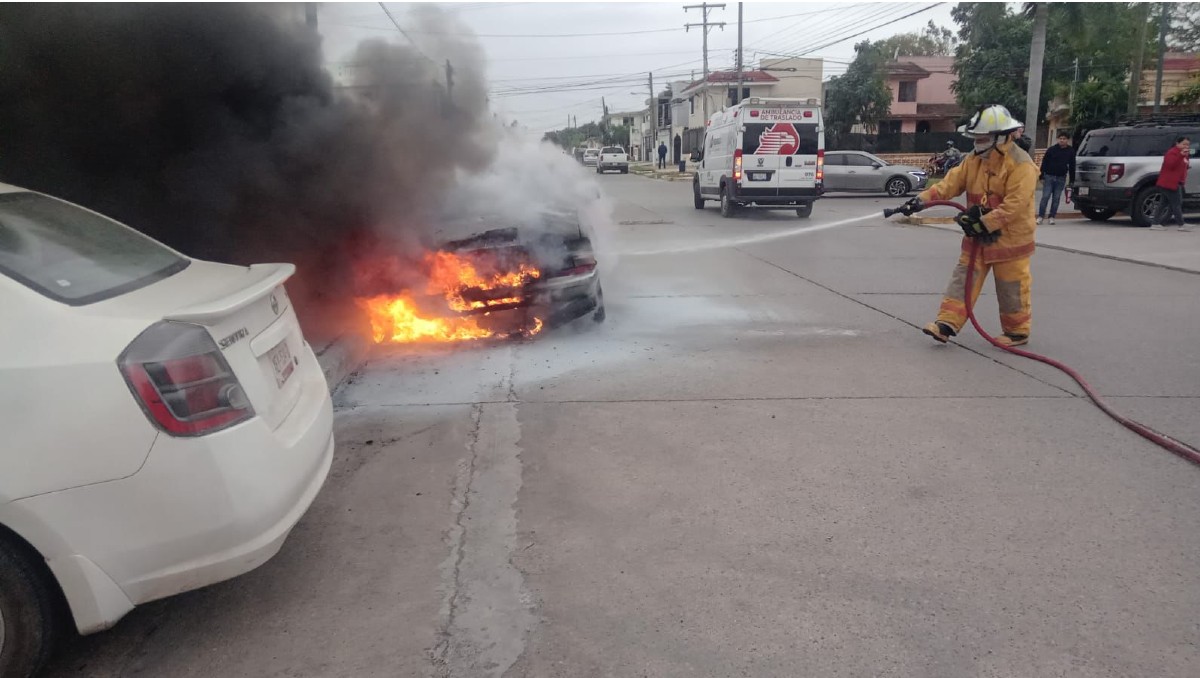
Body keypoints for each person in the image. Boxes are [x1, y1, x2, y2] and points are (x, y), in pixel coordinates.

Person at [904, 104, 1039, 348]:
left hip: (1010, 240)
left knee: (1011, 288)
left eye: (983, 138)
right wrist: (920, 201)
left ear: (1001, 137)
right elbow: (949, 184)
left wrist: (985, 223)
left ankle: (1017, 332)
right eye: (975, 137)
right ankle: (945, 325)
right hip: (977, 236)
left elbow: (1014, 206)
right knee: (963, 279)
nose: (977, 142)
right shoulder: (973, 160)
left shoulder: (1022, 165)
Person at [1150, 136, 1192, 232]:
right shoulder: (1172, 153)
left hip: (1176, 182)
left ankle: (1155, 223)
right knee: (1176, 203)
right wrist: (1181, 155)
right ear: (1177, 143)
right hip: (1169, 183)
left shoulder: (1185, 154)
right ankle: (1181, 224)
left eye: (1188, 144)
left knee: (1164, 203)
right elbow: (1171, 165)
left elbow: (1184, 164)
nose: (1186, 146)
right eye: (1184, 144)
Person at [1037, 132, 1076, 225]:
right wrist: (1041, 176)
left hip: (1061, 178)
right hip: (1049, 177)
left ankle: (1052, 217)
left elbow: (1072, 166)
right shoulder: (1051, 150)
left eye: (1064, 138)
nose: (1062, 140)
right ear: (1057, 139)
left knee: (1056, 198)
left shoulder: (1070, 151)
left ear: (1067, 140)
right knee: (1045, 197)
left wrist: (1072, 181)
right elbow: (1044, 162)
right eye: (1060, 138)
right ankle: (1040, 216)